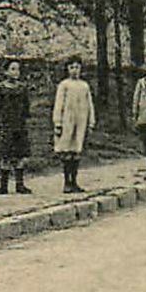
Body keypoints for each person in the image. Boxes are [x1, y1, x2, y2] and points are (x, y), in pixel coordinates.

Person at [52, 55, 95, 193]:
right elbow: (59, 105)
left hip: (81, 121)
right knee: (66, 151)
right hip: (67, 122)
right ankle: (67, 182)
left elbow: (90, 105)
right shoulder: (64, 85)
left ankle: (75, 181)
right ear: (67, 69)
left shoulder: (84, 86)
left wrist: (91, 121)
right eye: (71, 67)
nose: (74, 70)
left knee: (76, 151)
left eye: (77, 67)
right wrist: (58, 122)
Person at [0, 58, 32, 195]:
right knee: (5, 155)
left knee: (20, 156)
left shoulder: (22, 89)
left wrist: (23, 119)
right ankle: (4, 185)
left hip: (19, 126)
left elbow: (26, 107)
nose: (15, 72)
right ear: (6, 71)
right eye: (12, 69)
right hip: (5, 126)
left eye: (17, 69)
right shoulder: (0, 89)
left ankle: (20, 184)